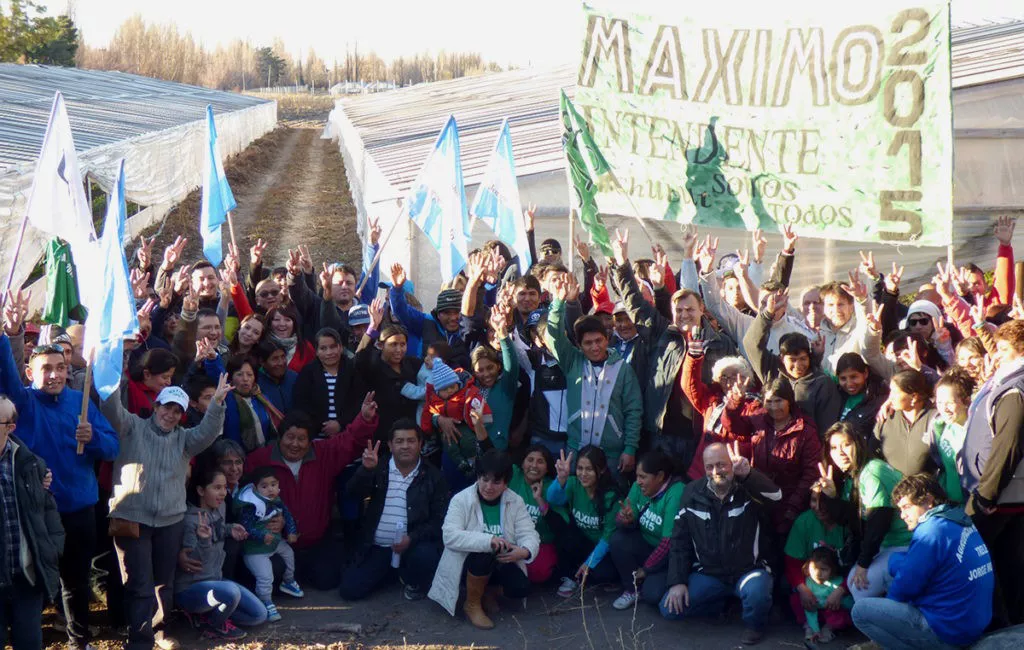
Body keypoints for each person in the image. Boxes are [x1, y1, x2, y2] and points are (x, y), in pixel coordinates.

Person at [0, 336, 119, 650]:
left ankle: (78, 640)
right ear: (30, 373)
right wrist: (6, 335)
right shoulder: (23, 403)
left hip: (80, 510)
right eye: (46, 369)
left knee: (75, 581)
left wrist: (93, 438)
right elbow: (7, 373)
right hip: (36, 512)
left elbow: (112, 447)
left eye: (61, 367)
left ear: (68, 370)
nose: (54, 375)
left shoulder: (81, 402)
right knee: (34, 578)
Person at [101, 373, 231, 650]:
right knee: (138, 583)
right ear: (156, 405)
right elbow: (111, 410)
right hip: (131, 518)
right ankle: (139, 641)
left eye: (177, 411)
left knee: (163, 583)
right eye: (166, 408)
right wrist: (110, 377)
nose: (170, 415)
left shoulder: (185, 439)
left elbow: (208, 432)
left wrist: (217, 403)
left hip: (170, 521)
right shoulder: (132, 426)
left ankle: (159, 632)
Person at [245, 394, 378, 592]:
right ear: (280, 437)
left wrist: (365, 418)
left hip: (317, 540)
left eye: (301, 439)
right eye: (290, 437)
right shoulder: (260, 459)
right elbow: (244, 497)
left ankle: (300, 571)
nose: (295, 444)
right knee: (272, 575)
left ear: (310, 441)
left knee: (328, 580)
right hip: (276, 542)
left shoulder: (323, 453)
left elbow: (349, 440)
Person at [851, 474, 994, 649]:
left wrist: (888, 615)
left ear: (928, 501)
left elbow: (905, 586)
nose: (902, 515)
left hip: (950, 632)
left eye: (907, 507)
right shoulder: (958, 518)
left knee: (860, 612)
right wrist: (895, 563)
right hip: (972, 624)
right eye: (900, 509)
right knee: (893, 566)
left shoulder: (931, 531)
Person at [660, 442, 782, 646]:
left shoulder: (748, 488)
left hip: (748, 571)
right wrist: (677, 582)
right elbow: (679, 541)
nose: (716, 471)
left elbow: (776, 498)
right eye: (710, 467)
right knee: (669, 609)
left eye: (722, 464)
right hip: (709, 574)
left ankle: (755, 625)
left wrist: (749, 475)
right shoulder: (691, 492)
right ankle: (722, 605)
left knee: (757, 594)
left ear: (732, 465)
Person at [428, 449, 540, 629]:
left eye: (496, 482)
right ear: (478, 477)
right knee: (483, 555)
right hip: (468, 562)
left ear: (506, 483)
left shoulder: (516, 501)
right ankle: (472, 604)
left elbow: (529, 533)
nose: (489, 486)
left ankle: (488, 592)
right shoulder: (461, 499)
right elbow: (449, 535)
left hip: (501, 559)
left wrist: (525, 551)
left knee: (521, 587)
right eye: (484, 479)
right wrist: (488, 540)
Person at [960, 318, 1024, 625]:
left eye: (1004, 349)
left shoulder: (1015, 390)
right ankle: (1010, 623)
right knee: (1008, 562)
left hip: (1000, 495)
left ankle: (997, 624)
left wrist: (985, 495)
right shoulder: (1007, 380)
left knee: (981, 561)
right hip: (1005, 493)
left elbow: (1008, 445)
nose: (996, 355)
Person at [339, 419, 448, 601]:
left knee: (426, 556)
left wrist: (411, 538)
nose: (405, 446)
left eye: (411, 441)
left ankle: (411, 578)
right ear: (390, 445)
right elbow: (352, 494)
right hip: (378, 547)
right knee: (349, 590)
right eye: (399, 441)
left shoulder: (433, 476)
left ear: (420, 444)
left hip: (412, 547)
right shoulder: (378, 466)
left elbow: (439, 520)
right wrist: (366, 470)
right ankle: (391, 573)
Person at [545, 273, 642, 476]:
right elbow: (554, 337)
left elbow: (633, 411)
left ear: (607, 338)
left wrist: (630, 449)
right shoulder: (573, 361)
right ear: (579, 345)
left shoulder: (623, 369)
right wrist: (558, 303)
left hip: (611, 455)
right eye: (588, 343)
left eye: (599, 341)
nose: (595, 347)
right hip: (576, 450)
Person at [816, 422, 911, 602]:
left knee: (859, 587)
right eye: (834, 448)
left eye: (846, 445)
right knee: (855, 582)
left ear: (858, 444)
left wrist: (863, 564)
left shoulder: (872, 471)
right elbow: (851, 520)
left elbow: (879, 522)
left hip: (905, 542)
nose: (840, 452)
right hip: (887, 545)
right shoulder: (852, 476)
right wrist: (832, 496)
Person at [0, 395, 65, 650]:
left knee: (29, 643)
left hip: (26, 577)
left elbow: (48, 514)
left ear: (10, 427)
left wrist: (49, 551)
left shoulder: (31, 464)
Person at [174, 465, 265, 640]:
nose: (223, 493)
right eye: (217, 488)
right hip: (191, 587)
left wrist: (229, 529)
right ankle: (212, 625)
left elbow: (217, 530)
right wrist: (204, 540)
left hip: (215, 580)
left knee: (259, 615)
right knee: (231, 592)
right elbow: (194, 564)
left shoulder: (219, 508)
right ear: (201, 490)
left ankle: (204, 616)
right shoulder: (190, 521)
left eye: (224, 487)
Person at [722, 376, 821, 535]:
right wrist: (736, 400)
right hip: (757, 496)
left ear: (789, 401)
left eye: (779, 401)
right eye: (769, 401)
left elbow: (811, 473)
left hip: (788, 504)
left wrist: (792, 508)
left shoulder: (805, 430)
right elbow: (731, 424)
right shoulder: (759, 420)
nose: (774, 407)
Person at [744, 288, 842, 433]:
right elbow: (751, 344)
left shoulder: (822, 383)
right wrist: (767, 314)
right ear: (782, 358)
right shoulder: (772, 371)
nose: (798, 365)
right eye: (792, 360)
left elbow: (827, 429)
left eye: (803, 359)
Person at [607, 450, 683, 610]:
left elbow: (668, 544)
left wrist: (646, 569)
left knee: (652, 594)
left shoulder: (676, 493)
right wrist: (625, 519)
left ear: (660, 476)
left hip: (669, 556)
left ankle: (657, 582)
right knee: (618, 539)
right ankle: (632, 589)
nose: (638, 482)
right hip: (645, 544)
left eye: (643, 477)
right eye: (637, 476)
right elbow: (623, 515)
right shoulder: (638, 487)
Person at [546, 446, 621, 598]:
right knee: (565, 533)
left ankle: (587, 574)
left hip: (603, 547)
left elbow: (607, 537)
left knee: (603, 573)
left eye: (589, 469)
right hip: (583, 540)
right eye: (580, 468)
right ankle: (572, 576)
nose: (583, 474)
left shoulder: (611, 496)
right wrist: (561, 479)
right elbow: (553, 499)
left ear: (601, 470)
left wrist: (589, 563)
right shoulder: (574, 483)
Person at [236, 467, 303, 622]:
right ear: (255, 489)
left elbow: (287, 516)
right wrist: (261, 536)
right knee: (265, 576)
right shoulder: (251, 506)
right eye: (264, 486)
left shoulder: (276, 501)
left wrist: (291, 531)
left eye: (273, 484)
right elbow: (246, 527)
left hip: (274, 542)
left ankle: (288, 581)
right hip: (255, 550)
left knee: (289, 553)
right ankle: (265, 601)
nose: (270, 489)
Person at [784, 489, 851, 636]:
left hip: (839, 581)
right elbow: (792, 562)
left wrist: (841, 590)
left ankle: (830, 625)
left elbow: (858, 565)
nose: (818, 506)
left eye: (824, 501)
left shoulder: (848, 523)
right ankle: (810, 625)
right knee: (790, 591)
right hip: (811, 580)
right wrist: (803, 589)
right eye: (814, 500)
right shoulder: (804, 521)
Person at [507, 445, 566, 584]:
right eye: (530, 460)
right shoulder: (514, 475)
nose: (534, 465)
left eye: (540, 461)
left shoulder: (552, 488)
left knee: (539, 572)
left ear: (547, 468)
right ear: (522, 463)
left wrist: (539, 500)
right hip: (509, 538)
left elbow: (561, 527)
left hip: (539, 542)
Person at [293, 327, 361, 436]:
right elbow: (301, 405)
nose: (329, 352)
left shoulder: (352, 370)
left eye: (333, 347)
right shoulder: (308, 373)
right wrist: (321, 426)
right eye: (323, 348)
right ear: (316, 351)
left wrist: (340, 423)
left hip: (348, 435)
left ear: (340, 347)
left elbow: (358, 403)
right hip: (315, 437)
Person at [873, 369, 937, 477]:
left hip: (926, 485)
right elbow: (871, 452)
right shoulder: (887, 417)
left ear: (914, 397)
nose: (890, 398)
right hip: (890, 485)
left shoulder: (934, 419)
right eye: (890, 391)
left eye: (895, 393)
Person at [928, 368, 974, 504]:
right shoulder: (940, 427)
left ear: (966, 401)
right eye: (939, 403)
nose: (944, 409)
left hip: (973, 505)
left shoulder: (977, 431)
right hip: (951, 504)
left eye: (950, 403)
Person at [800, 546, 853, 644]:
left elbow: (850, 603)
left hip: (832, 612)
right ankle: (811, 628)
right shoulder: (808, 583)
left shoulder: (837, 583)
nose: (818, 573)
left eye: (823, 569)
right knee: (799, 602)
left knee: (841, 616)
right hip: (815, 612)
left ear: (832, 570)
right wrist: (815, 629)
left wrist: (840, 603)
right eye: (814, 568)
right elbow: (810, 609)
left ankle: (828, 628)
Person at [835, 352, 888, 444]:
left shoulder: (879, 399)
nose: (849, 384)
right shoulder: (835, 394)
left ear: (865, 373)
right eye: (843, 378)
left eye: (853, 377)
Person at [255, 340, 297, 414]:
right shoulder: (256, 385)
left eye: (283, 357)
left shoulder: (294, 378)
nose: (281, 363)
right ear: (262, 362)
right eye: (275, 359)